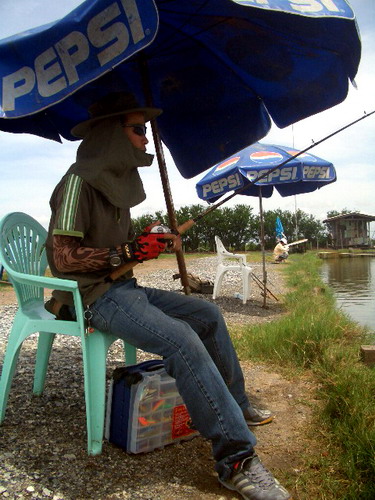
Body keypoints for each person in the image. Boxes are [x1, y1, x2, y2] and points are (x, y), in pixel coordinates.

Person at [45, 92, 291, 500]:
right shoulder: (76, 183)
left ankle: (237, 404)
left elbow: (122, 252)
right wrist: (125, 252)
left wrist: (151, 241)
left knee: (207, 314)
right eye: (139, 129)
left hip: (124, 288)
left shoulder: (117, 182)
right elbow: (62, 257)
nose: (145, 139)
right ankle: (236, 460)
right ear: (111, 133)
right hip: (96, 298)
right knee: (181, 339)